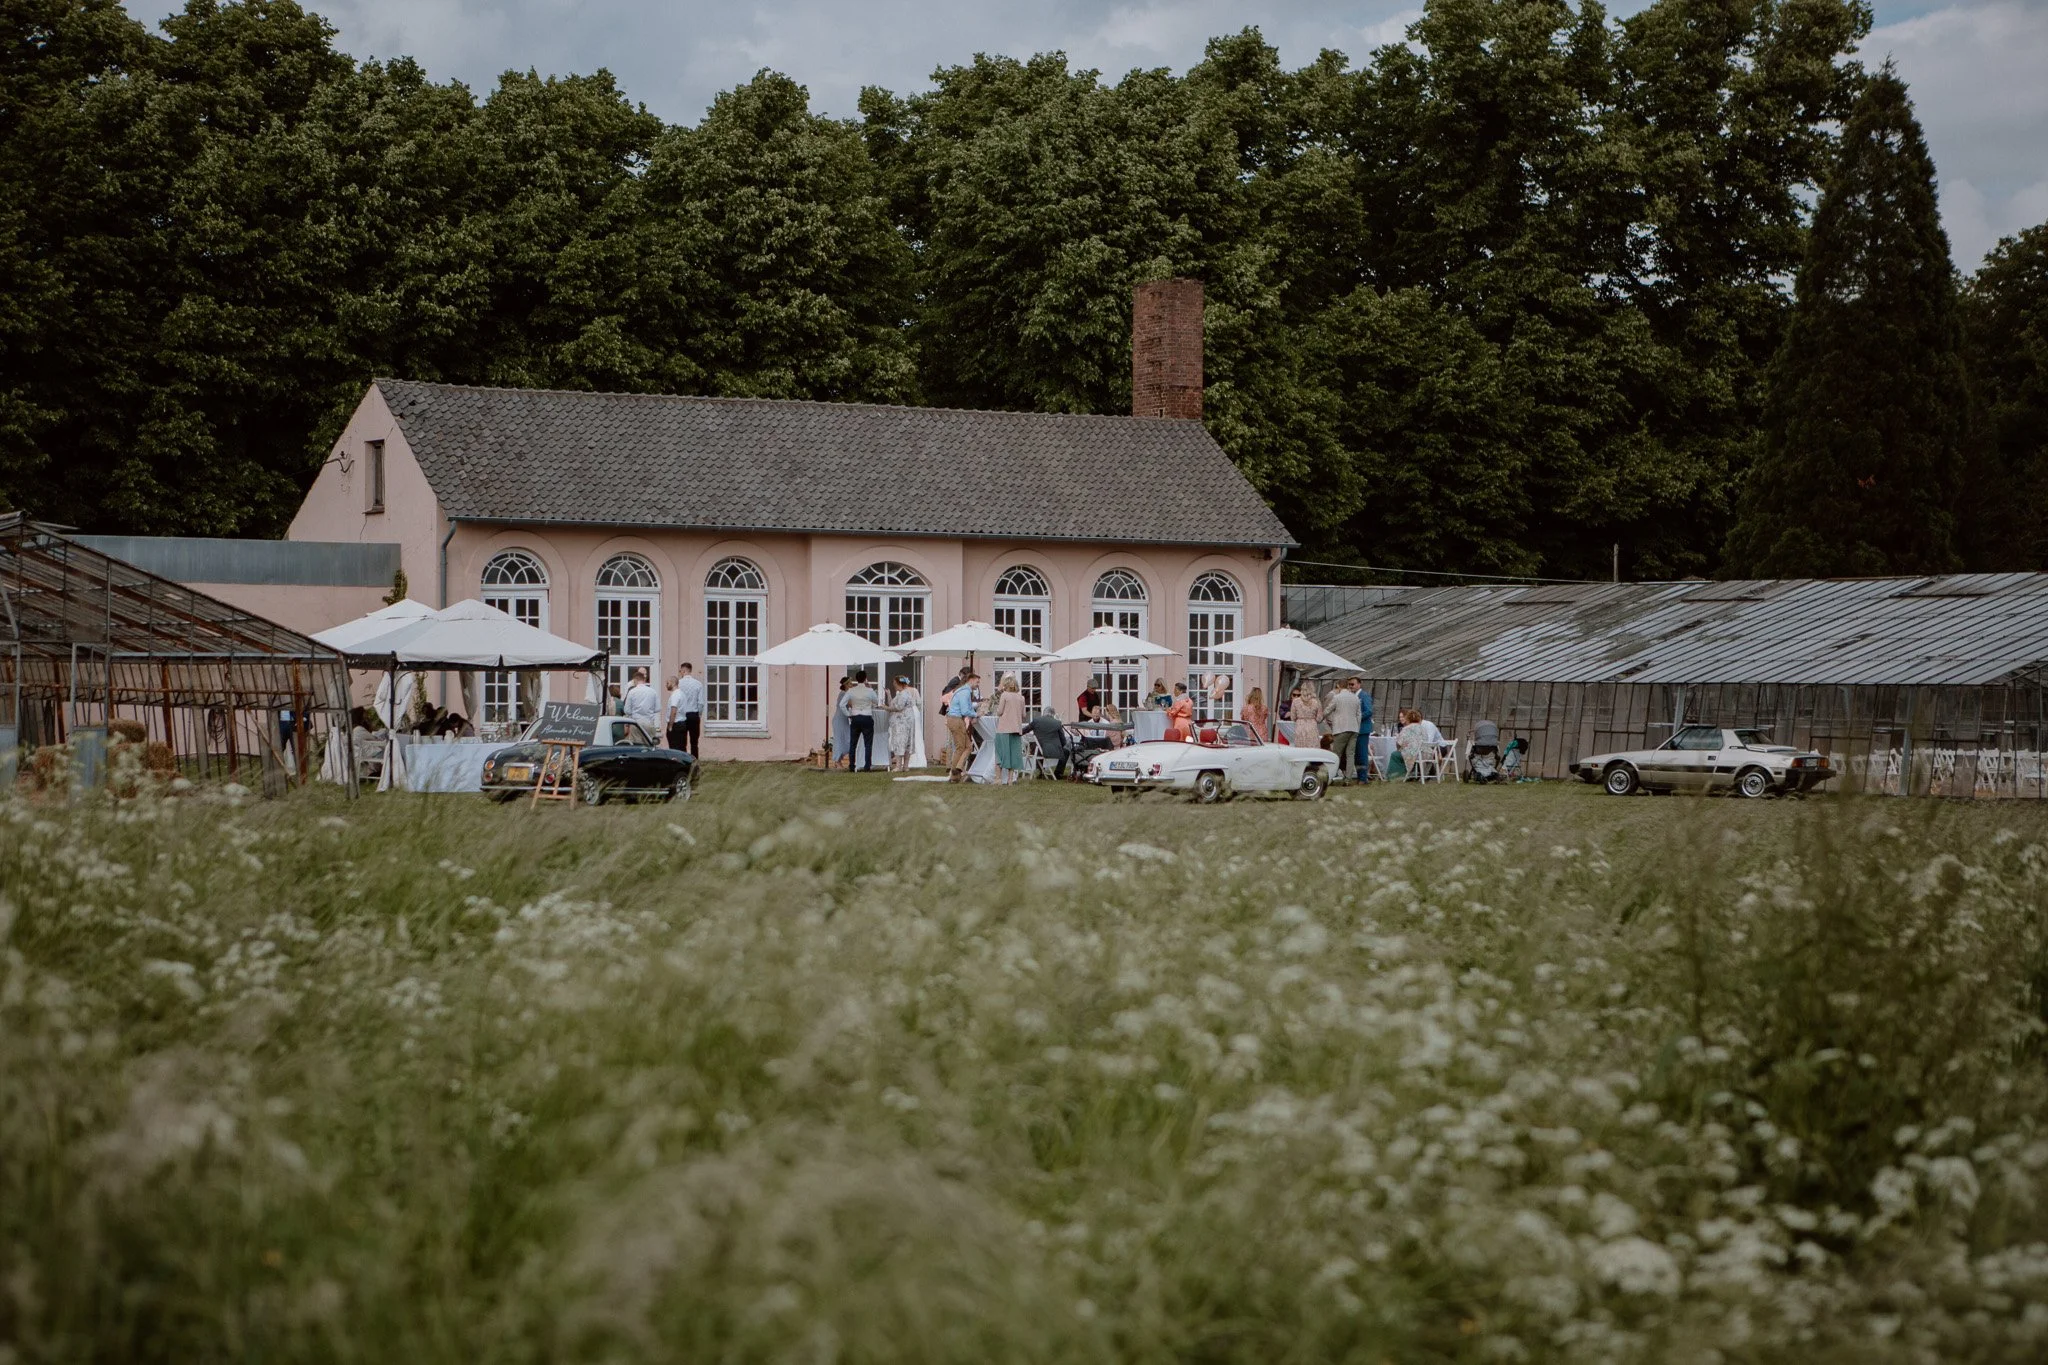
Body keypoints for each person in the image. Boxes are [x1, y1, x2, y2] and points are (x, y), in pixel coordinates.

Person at [1323, 678, 1362, 781]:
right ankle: (1348, 778)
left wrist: (1321, 717)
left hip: (1341, 728)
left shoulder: (1337, 698)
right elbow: (1359, 715)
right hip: (1354, 729)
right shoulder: (1355, 698)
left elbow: (1328, 710)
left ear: (1339, 686)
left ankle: (1331, 776)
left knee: (1336, 754)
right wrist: (1357, 728)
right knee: (1350, 754)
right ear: (1348, 686)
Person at [945, 670, 981, 780]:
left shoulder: (964, 691)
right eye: (977, 682)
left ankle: (958, 768)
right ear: (970, 680)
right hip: (956, 720)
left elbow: (967, 707)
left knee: (968, 747)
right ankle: (954, 774)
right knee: (961, 747)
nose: (978, 684)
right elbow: (965, 711)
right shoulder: (965, 692)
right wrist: (977, 714)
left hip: (955, 719)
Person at [992, 674, 1027, 783]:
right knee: (1013, 755)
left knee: (1000, 754)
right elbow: (1024, 715)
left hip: (1003, 729)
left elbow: (999, 712)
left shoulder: (1005, 695)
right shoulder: (1021, 698)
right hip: (1016, 729)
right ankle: (1010, 779)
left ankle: (998, 778)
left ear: (1006, 685)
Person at [843, 670, 879, 772]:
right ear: (865, 678)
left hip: (855, 717)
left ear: (856, 679)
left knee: (853, 743)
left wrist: (848, 714)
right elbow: (876, 701)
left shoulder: (851, 691)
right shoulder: (869, 691)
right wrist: (871, 689)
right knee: (868, 743)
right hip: (867, 717)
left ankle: (851, 765)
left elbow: (842, 704)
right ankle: (867, 766)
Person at [667, 663, 704, 757]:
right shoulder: (698, 684)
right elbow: (701, 703)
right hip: (693, 715)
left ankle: (683, 759)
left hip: (682, 716)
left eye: (680, 671)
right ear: (690, 670)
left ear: (683, 671)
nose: (680, 673)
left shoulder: (679, 684)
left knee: (682, 742)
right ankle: (695, 761)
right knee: (694, 743)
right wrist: (698, 715)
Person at [887, 675, 921, 772]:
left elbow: (898, 707)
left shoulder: (903, 694)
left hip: (903, 722)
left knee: (900, 741)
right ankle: (905, 766)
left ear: (899, 683)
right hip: (907, 720)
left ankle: (899, 766)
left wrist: (886, 708)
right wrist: (889, 695)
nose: (893, 685)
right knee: (906, 742)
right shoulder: (903, 693)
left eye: (894, 683)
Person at [1026, 710, 1070, 779]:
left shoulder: (1036, 721)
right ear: (1053, 715)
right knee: (1066, 751)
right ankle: (1058, 773)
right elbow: (1063, 741)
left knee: (1039, 746)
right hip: (1051, 750)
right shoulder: (1057, 723)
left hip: (1037, 751)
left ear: (1044, 713)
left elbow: (1025, 730)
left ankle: (1040, 771)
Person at [623, 669, 662, 737]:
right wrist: (649, 710)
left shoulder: (632, 692)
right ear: (644, 680)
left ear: (635, 680)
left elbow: (627, 710)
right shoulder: (652, 691)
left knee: (637, 745)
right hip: (649, 723)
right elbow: (658, 708)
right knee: (649, 745)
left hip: (636, 723)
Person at [1290, 685, 1323, 750]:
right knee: (1313, 750)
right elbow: (1319, 718)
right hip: (1312, 727)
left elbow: (1293, 717)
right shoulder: (1317, 702)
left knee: (1300, 750)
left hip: (1300, 727)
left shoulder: (1295, 701)